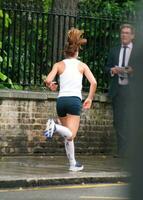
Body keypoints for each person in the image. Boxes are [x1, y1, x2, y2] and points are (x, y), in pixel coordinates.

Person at [44, 28, 97, 171]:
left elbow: (48, 79)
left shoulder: (58, 64)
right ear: (77, 51)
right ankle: (54, 127)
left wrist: (51, 85)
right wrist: (90, 98)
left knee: (68, 135)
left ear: (66, 52)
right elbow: (94, 83)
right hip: (74, 101)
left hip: (61, 101)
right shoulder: (82, 66)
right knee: (71, 133)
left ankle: (73, 164)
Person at [105, 24, 135, 158]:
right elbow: (105, 68)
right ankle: (122, 151)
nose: (124, 35)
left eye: (127, 33)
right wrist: (112, 70)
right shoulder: (114, 50)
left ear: (132, 36)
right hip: (118, 90)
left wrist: (133, 71)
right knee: (118, 121)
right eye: (122, 33)